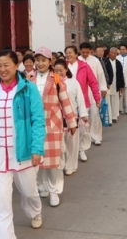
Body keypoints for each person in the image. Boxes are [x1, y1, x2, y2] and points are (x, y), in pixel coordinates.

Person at [0, 50, 46, 237]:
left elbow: (38, 120)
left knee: (29, 192)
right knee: (1, 203)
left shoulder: (29, 88)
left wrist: (37, 149)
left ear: (16, 66)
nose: (2, 69)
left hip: (23, 152)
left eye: (6, 65)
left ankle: (35, 211)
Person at [30, 47, 76, 207]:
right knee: (37, 159)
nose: (40, 63)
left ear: (50, 61)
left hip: (53, 124)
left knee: (54, 161)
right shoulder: (29, 78)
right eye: (38, 60)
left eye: (43, 60)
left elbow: (65, 101)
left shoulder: (57, 79)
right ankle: (42, 187)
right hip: (34, 126)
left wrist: (71, 122)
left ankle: (55, 190)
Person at [53, 59, 88, 176]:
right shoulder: (51, 82)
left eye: (60, 70)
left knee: (71, 143)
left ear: (66, 70)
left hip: (72, 117)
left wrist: (83, 114)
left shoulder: (73, 82)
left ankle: (71, 165)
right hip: (56, 118)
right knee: (59, 144)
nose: (58, 72)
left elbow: (80, 99)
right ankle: (61, 163)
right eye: (55, 70)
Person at [67, 45, 100, 158]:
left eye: (71, 52)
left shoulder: (84, 67)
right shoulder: (63, 67)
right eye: (67, 53)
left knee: (82, 128)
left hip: (82, 102)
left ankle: (82, 149)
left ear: (76, 54)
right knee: (68, 129)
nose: (69, 55)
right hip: (67, 102)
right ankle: (70, 151)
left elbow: (93, 83)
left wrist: (97, 98)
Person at [78, 42, 107, 146]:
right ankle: (86, 136)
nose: (85, 54)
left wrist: (103, 88)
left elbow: (100, 75)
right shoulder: (77, 61)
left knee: (94, 113)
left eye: (87, 52)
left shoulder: (95, 61)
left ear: (90, 51)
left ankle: (96, 136)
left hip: (94, 91)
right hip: (82, 92)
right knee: (84, 115)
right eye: (83, 52)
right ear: (80, 51)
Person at [106, 48, 125, 123]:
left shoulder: (118, 63)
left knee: (115, 101)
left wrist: (121, 86)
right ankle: (109, 117)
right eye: (112, 53)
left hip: (116, 84)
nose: (113, 55)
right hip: (108, 85)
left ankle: (114, 116)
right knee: (108, 101)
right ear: (109, 53)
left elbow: (121, 75)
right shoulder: (105, 62)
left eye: (115, 53)